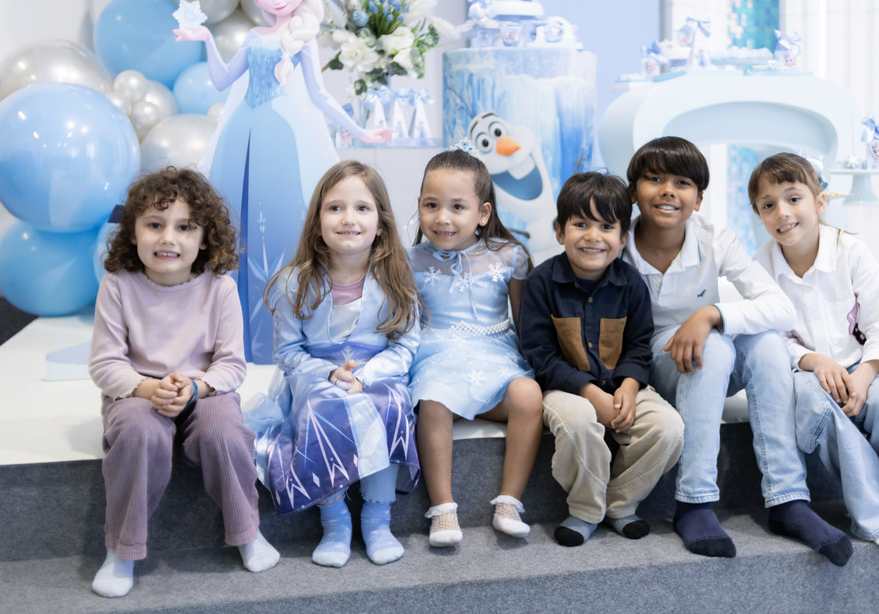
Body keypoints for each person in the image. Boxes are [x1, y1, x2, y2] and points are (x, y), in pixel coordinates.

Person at [622, 136, 852, 565]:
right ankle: (693, 501)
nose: (668, 190)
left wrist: (710, 313)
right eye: (654, 179)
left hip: (709, 357)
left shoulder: (713, 237)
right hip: (652, 362)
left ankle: (787, 500)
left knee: (766, 344)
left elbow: (780, 308)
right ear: (633, 192)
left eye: (682, 183)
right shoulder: (617, 242)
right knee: (714, 347)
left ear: (699, 200)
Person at [174, 0, 389, 364]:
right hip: (242, 135)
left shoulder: (302, 39)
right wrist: (208, 40)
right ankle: (227, 337)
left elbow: (320, 96)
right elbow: (222, 80)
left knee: (285, 222)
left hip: (283, 138)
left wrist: (361, 131)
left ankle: (278, 335)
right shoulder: (254, 37)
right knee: (233, 222)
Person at [88, 167, 278, 598]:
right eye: (154, 225)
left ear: (205, 238)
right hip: (137, 392)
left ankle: (247, 531)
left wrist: (195, 389)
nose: (168, 238)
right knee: (138, 432)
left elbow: (232, 365)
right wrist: (149, 389)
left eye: (185, 227)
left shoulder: (220, 288)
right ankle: (122, 550)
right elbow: (105, 364)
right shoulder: (117, 287)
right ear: (133, 233)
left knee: (224, 432)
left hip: (203, 389)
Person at [749, 152, 879, 550]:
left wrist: (865, 374)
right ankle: (875, 516)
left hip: (864, 364)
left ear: (819, 202)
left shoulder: (851, 251)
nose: (782, 212)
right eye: (768, 205)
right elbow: (767, 336)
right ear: (759, 215)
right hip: (805, 374)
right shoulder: (759, 267)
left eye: (793, 198)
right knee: (820, 405)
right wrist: (812, 360)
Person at [245, 161, 420, 568]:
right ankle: (335, 519)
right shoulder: (293, 283)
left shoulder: (396, 279)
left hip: (377, 375)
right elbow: (289, 353)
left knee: (390, 402)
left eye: (362, 208)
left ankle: (377, 517)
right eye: (335, 208)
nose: (348, 219)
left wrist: (366, 377)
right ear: (317, 221)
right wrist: (329, 375)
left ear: (381, 223)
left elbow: (405, 346)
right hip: (315, 378)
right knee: (323, 406)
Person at [519, 172, 684, 546]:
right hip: (563, 388)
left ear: (623, 238)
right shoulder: (541, 283)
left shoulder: (631, 284)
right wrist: (590, 392)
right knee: (579, 422)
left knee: (667, 427)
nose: (593, 236)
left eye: (607, 227)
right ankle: (585, 509)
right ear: (560, 231)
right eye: (581, 224)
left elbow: (639, 345)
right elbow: (539, 353)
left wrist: (629, 385)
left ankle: (619, 503)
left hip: (622, 384)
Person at [408, 147, 544, 546]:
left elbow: (525, 324)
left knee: (528, 394)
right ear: (419, 205)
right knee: (434, 402)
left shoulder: (509, 256)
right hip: (439, 357)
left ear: (483, 213)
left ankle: (509, 501)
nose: (442, 217)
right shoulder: (409, 260)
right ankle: (443, 509)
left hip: (496, 358)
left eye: (457, 207)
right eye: (431, 205)